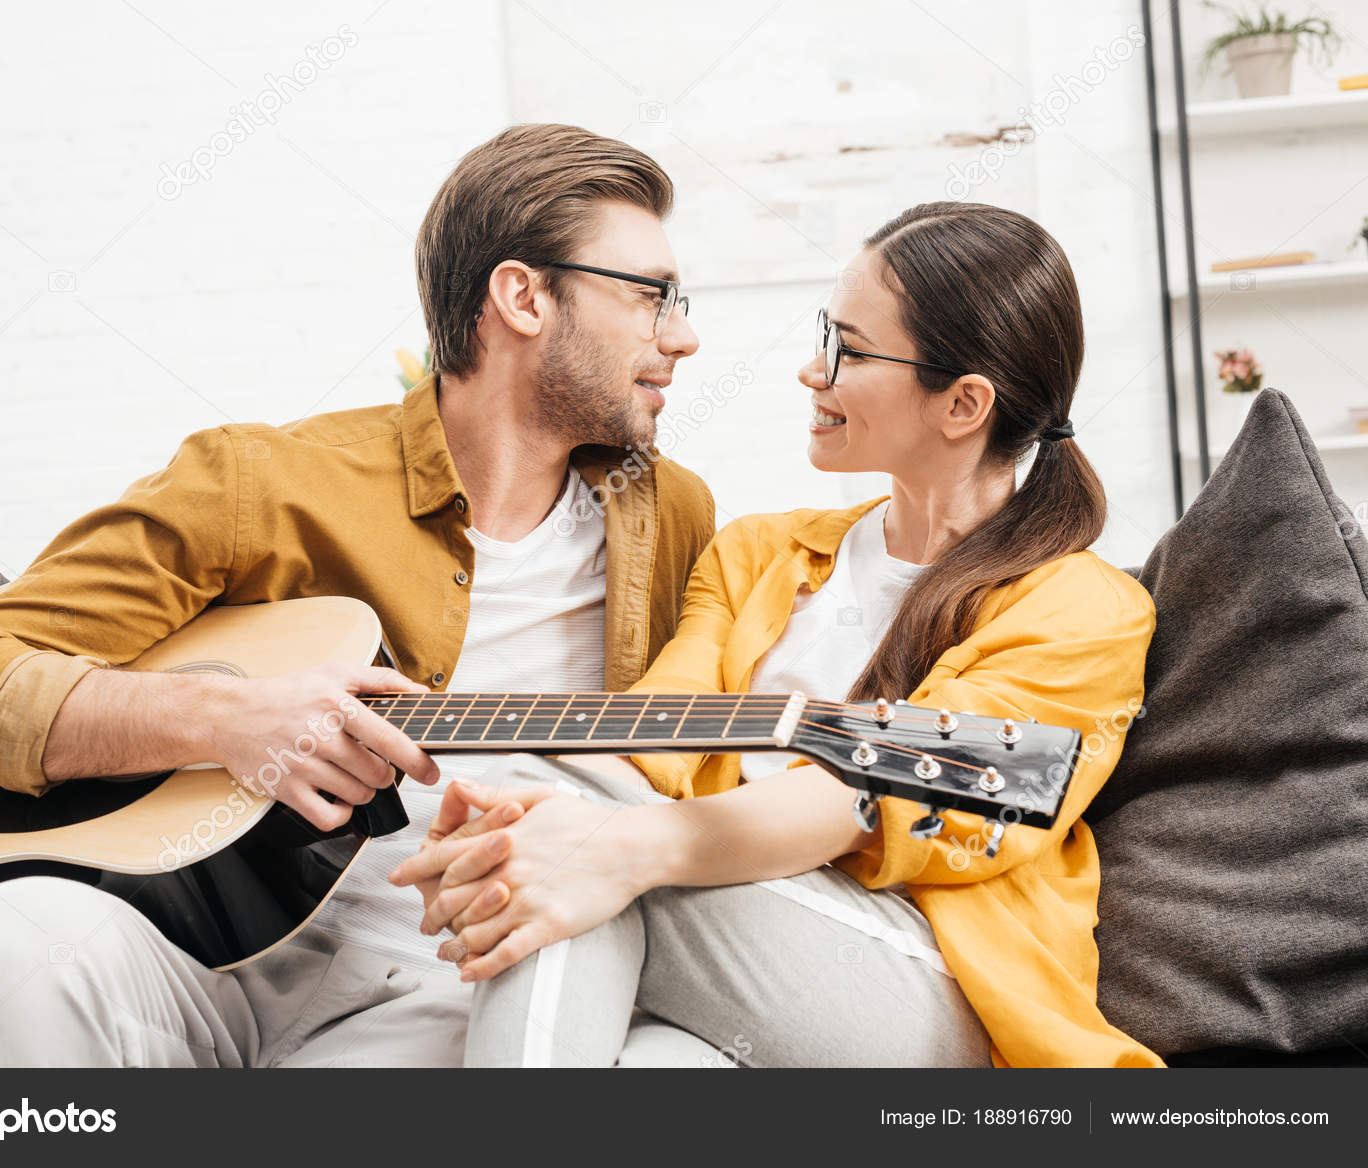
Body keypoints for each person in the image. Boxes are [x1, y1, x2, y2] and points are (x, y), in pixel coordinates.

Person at [0, 123, 717, 1068]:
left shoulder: (668, 514)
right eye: (652, 296)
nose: (682, 335)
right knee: (2, 942)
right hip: (211, 963)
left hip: (462, 991)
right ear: (523, 296)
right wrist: (221, 718)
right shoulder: (263, 483)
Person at [390, 201, 1164, 1069]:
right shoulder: (763, 553)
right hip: (733, 965)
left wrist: (613, 844)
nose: (811, 370)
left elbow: (863, 800)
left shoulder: (1085, 612)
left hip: (929, 993)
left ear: (964, 404)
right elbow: (651, 739)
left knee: (582, 831)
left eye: (851, 351)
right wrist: (504, 817)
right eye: (825, 334)